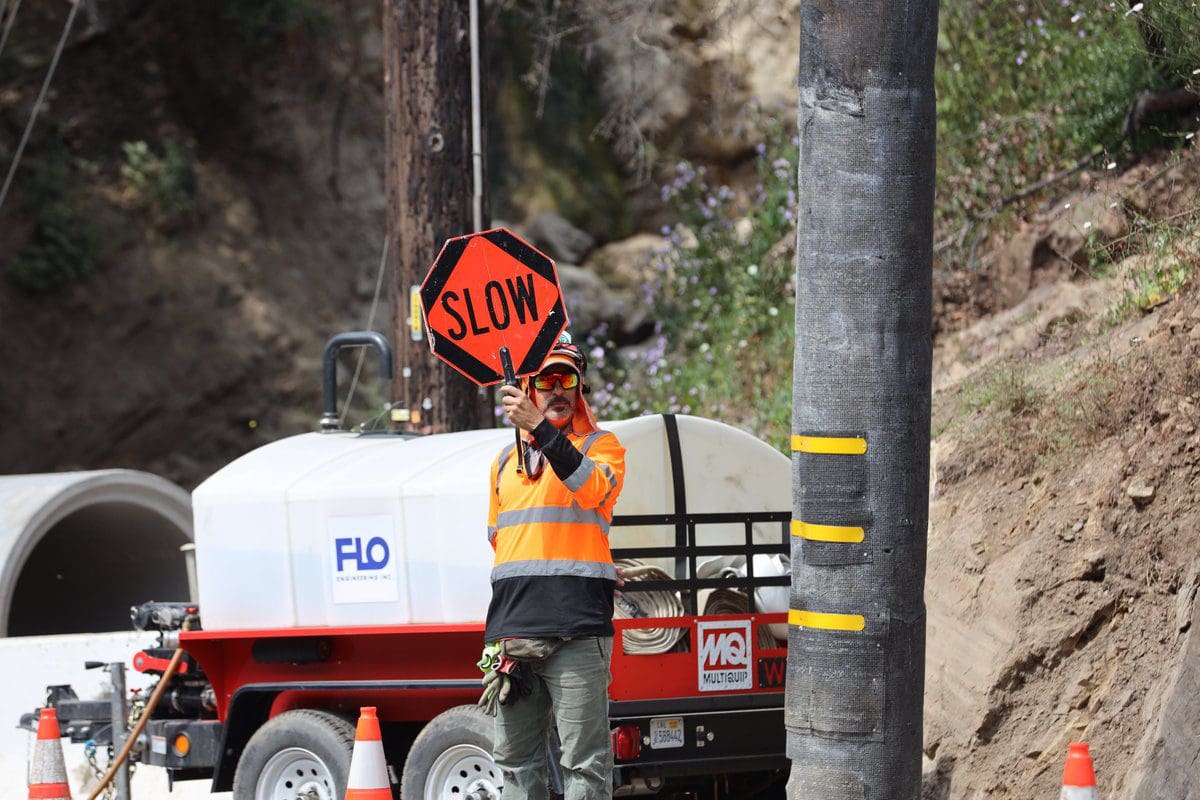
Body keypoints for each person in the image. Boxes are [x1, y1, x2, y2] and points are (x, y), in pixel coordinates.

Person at [483, 335, 627, 800]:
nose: (558, 389)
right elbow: (501, 542)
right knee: (515, 766)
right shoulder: (504, 462)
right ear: (529, 387)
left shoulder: (602, 447)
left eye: (567, 379)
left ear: (581, 386)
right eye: (546, 381)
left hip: (577, 631)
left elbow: (592, 488)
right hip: (514, 632)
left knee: (585, 765)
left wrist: (540, 428)